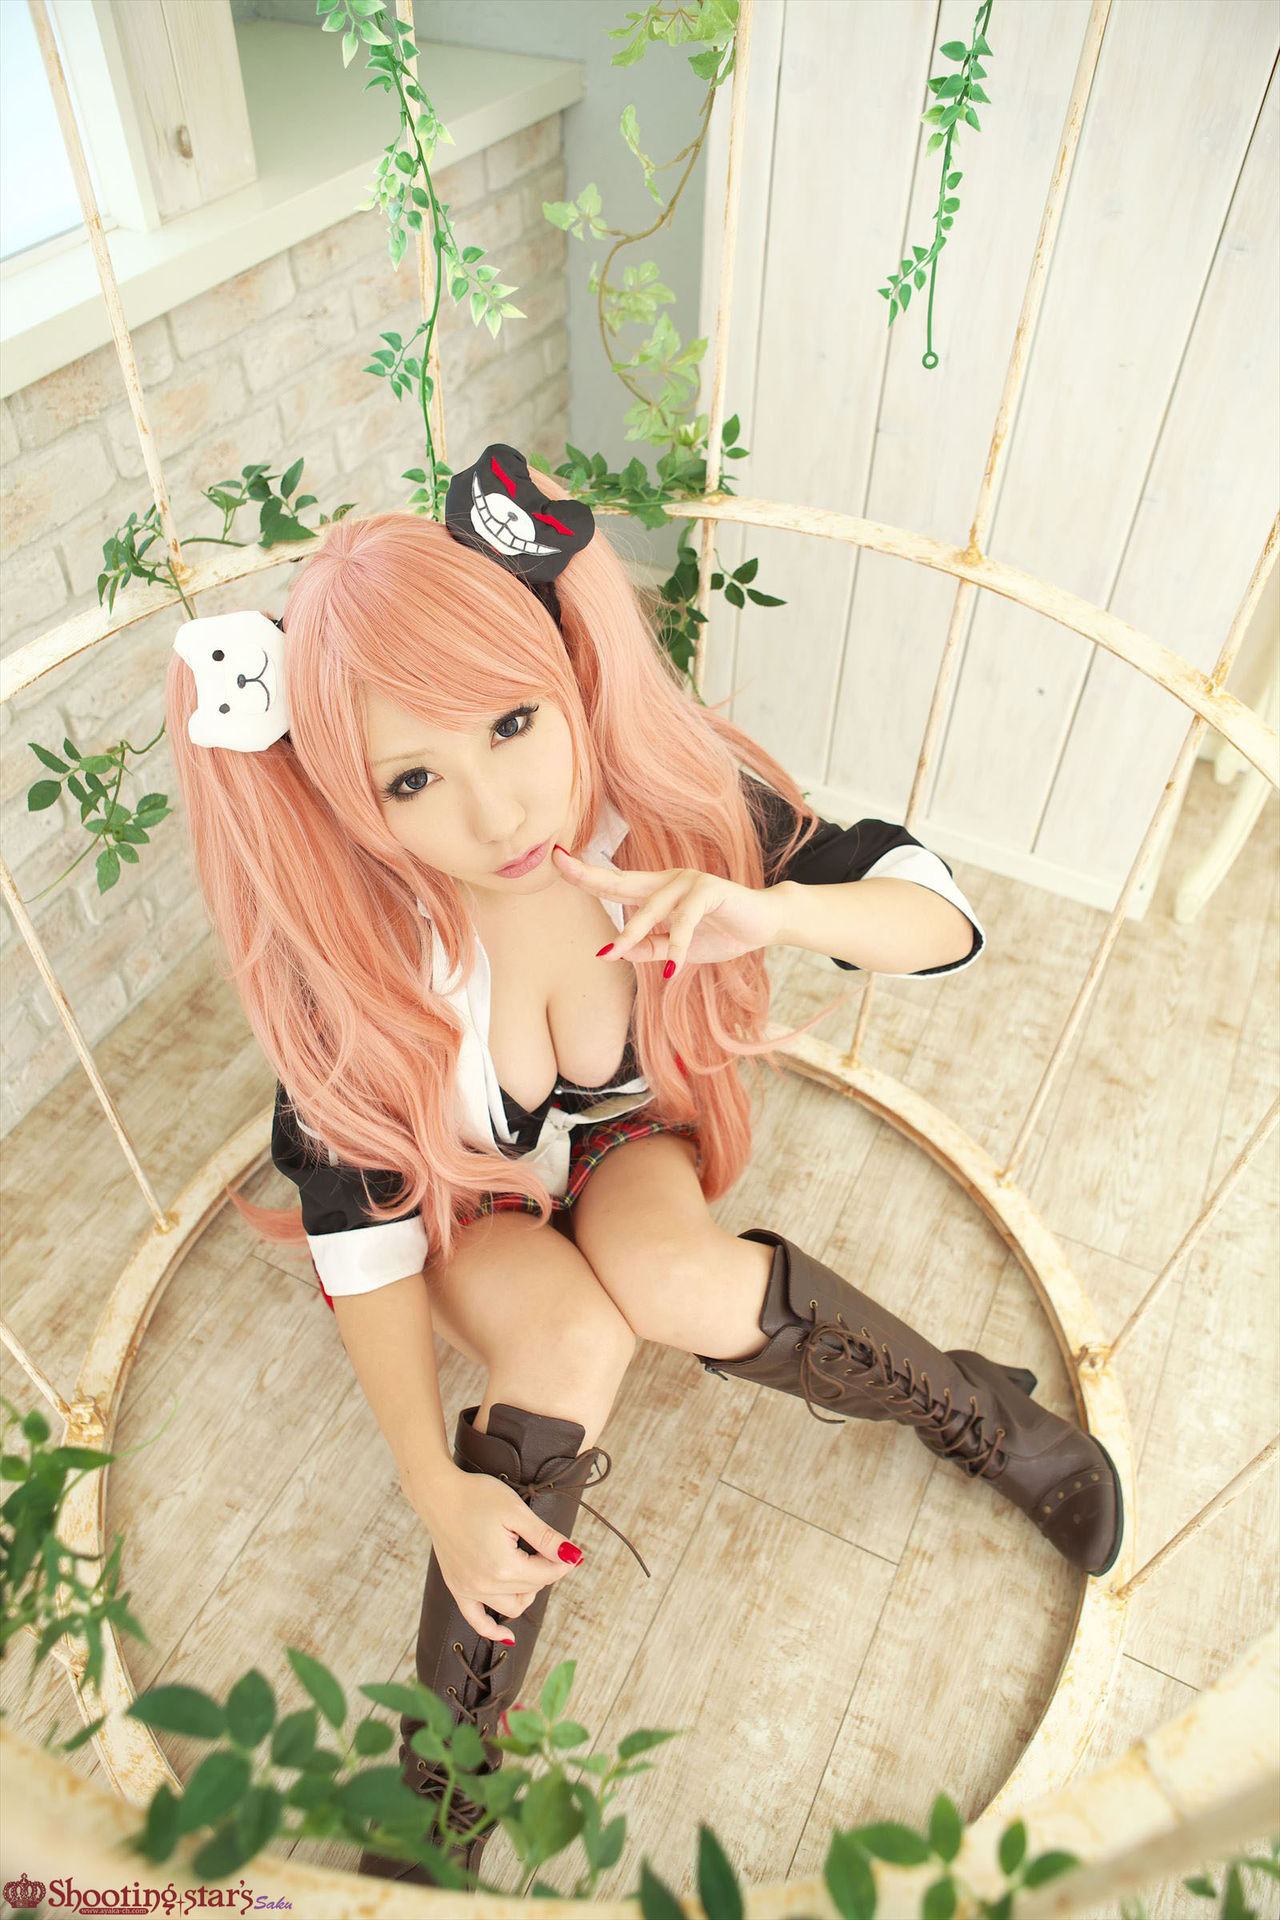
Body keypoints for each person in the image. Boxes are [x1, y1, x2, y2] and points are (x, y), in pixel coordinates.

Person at [166, 441, 1123, 1889]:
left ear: (564, 665)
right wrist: (432, 1484)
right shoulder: (361, 955)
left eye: (512, 722)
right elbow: (360, 1238)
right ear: (354, 798)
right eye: (413, 778)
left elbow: (938, 917)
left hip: (624, 1145)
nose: (497, 813)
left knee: (675, 1280)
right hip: (464, 1195)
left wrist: (769, 913)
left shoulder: (660, 809)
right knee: (565, 1342)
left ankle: (984, 1417)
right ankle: (443, 1786)